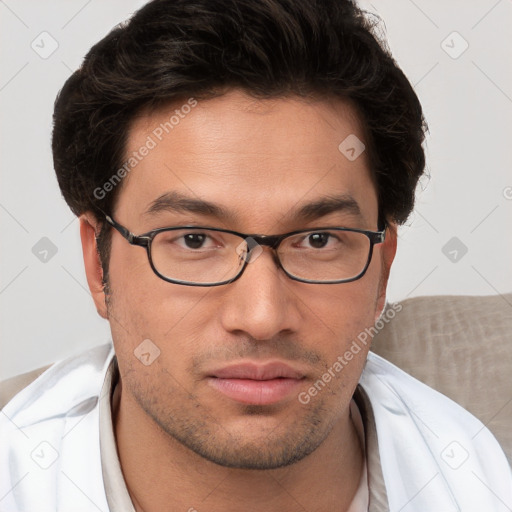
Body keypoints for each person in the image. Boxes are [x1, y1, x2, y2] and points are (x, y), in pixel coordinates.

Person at [1, 0, 511, 511]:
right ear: (98, 265)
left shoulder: (480, 479)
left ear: (383, 269)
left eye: (319, 240)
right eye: (195, 240)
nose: (263, 317)